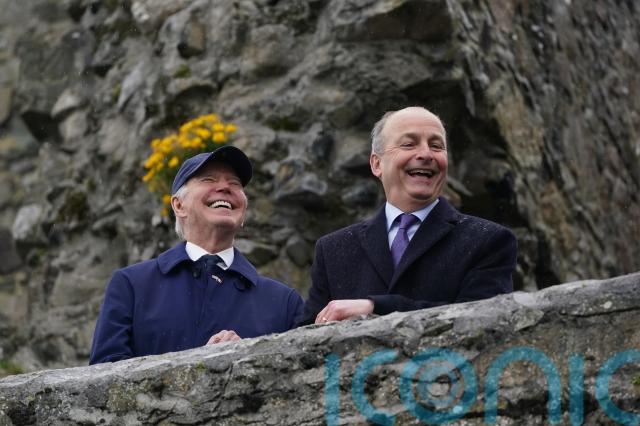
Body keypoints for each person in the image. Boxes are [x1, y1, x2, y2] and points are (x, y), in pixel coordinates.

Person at [299, 106, 517, 325]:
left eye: (436, 146)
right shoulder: (333, 250)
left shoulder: (489, 241)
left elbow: (484, 321)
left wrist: (375, 308)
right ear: (376, 164)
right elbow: (304, 335)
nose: (426, 154)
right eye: (409, 144)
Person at [90, 146, 303, 364]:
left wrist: (247, 361)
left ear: (243, 213)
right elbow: (104, 374)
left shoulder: (284, 303)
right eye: (209, 179)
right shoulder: (132, 285)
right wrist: (199, 367)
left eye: (235, 183)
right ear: (179, 205)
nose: (225, 187)